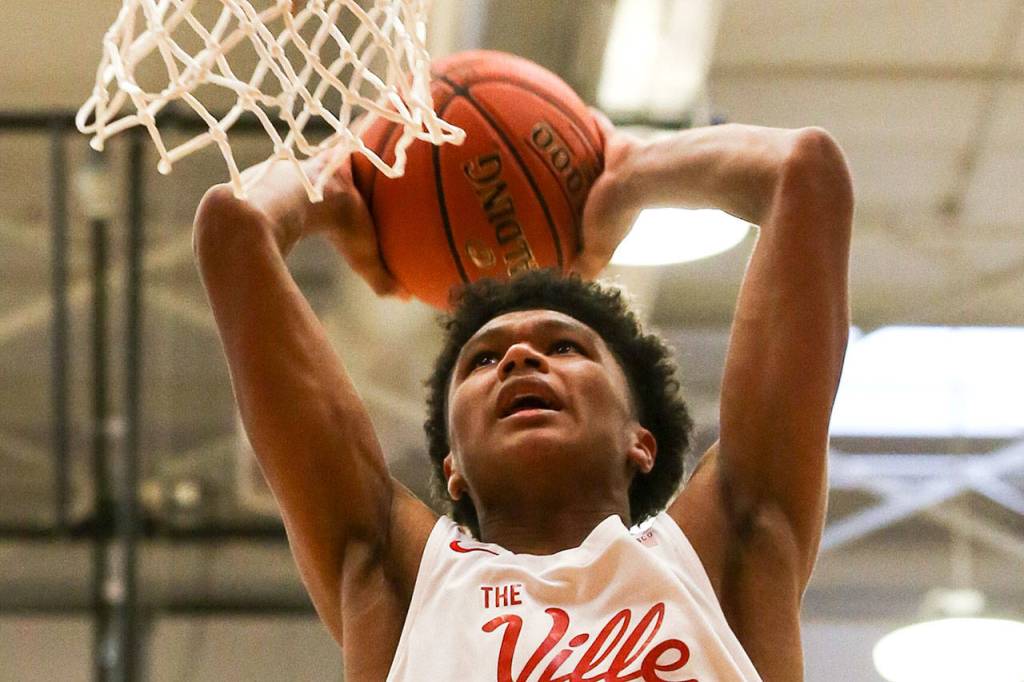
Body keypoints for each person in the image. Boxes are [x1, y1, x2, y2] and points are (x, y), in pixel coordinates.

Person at [193, 114, 853, 681]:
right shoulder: (399, 577)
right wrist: (341, 175)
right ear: (451, 465)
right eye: (483, 360)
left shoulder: (725, 551)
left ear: (640, 441)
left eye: (566, 347)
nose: (519, 357)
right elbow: (236, 225)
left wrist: (629, 169)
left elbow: (804, 172)